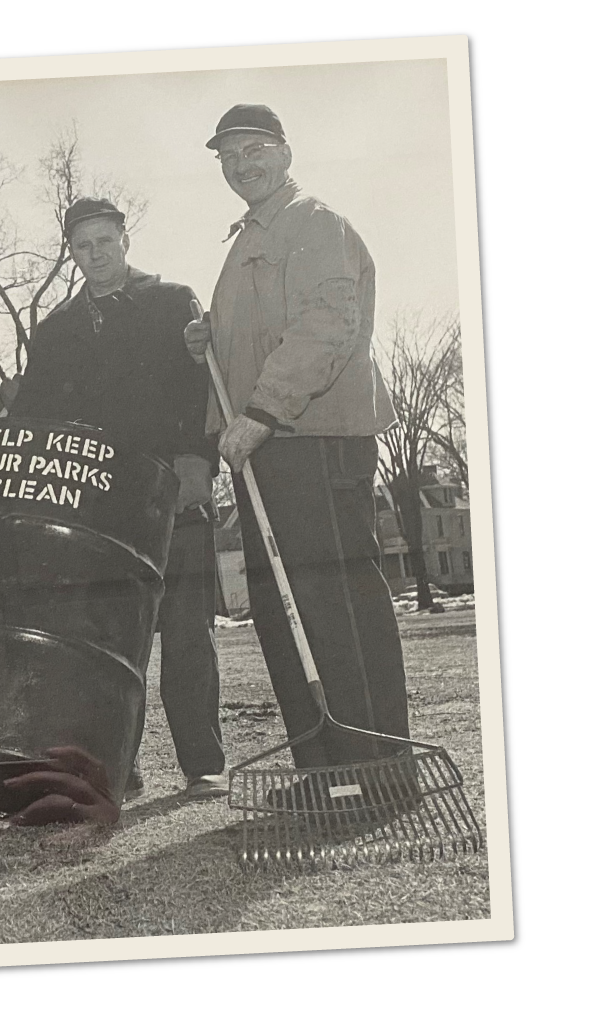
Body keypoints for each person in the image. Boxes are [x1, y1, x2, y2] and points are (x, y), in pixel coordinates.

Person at [188, 104, 410, 801]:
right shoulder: (251, 235)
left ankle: (378, 775)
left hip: (313, 440)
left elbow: (325, 326)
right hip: (268, 447)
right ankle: (325, 771)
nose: (242, 163)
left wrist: (260, 411)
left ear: (284, 153)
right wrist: (211, 338)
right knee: (287, 612)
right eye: (229, 154)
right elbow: (265, 332)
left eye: (255, 149)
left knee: (334, 606)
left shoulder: (314, 223)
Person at [9, 197, 225, 804]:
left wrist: (196, 464)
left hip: (173, 491)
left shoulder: (171, 301)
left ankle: (203, 763)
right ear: (70, 254)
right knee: (104, 641)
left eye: (105, 241)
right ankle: (112, 766)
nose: (95, 255)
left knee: (186, 631)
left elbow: (200, 389)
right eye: (82, 246)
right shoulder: (53, 330)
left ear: (125, 240)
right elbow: (41, 416)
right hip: (96, 509)